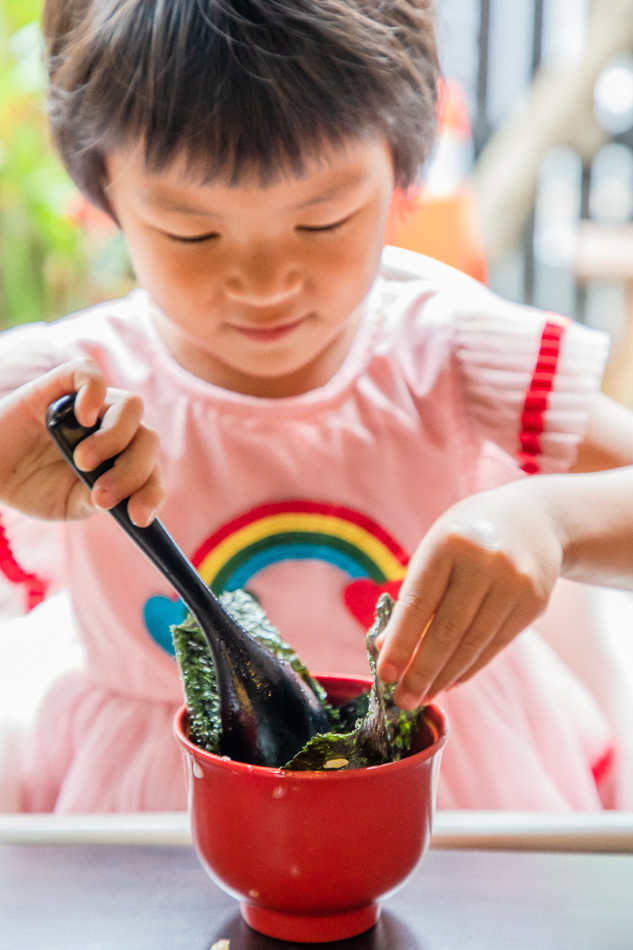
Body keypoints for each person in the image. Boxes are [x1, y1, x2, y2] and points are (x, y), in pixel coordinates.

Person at [1, 0, 633, 813]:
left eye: (323, 220)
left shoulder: (456, 357)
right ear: (104, 195)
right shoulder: (56, 398)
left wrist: (553, 523)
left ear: (403, 169)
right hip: (156, 808)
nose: (265, 284)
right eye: (192, 235)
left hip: (451, 788)